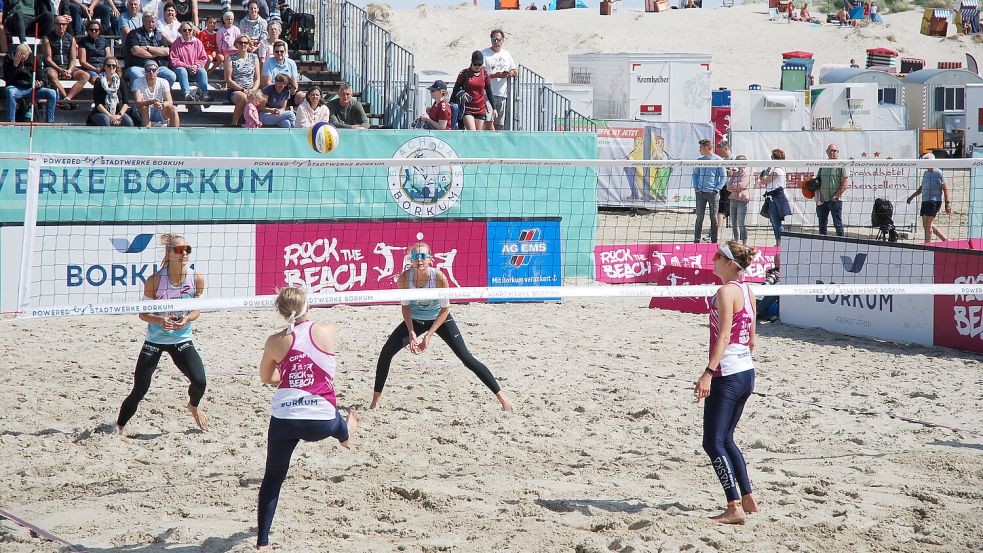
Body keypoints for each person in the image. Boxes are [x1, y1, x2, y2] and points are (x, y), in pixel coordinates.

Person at [256, 287, 359, 551]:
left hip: (285, 418)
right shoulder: (327, 330)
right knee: (339, 424)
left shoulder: (274, 341)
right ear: (307, 306)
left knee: (273, 478)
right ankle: (346, 435)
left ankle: (262, 542)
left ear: (280, 311)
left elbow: (267, 379)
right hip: (321, 421)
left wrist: (290, 377)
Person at [371, 242, 514, 411]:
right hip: (415, 320)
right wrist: (411, 332)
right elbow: (406, 307)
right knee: (386, 352)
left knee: (466, 358)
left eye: (423, 256)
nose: (420, 260)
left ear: (430, 259)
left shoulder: (439, 277)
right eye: (416, 256)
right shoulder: (404, 278)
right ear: (410, 259)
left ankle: (503, 398)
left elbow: (445, 310)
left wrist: (429, 335)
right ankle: (375, 401)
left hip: (440, 319)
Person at [694, 240, 760, 525]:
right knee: (727, 438)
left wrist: (708, 372)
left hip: (728, 374)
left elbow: (723, 337)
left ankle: (734, 506)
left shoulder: (725, 291)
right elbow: (752, 338)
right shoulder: (747, 289)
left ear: (731, 263)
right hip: (746, 371)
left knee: (712, 442)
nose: (714, 259)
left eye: (719, 256)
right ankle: (748, 497)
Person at [117, 233, 207, 435]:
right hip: (155, 340)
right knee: (139, 390)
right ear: (169, 253)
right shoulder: (155, 280)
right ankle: (119, 428)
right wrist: (160, 320)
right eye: (179, 250)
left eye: (187, 249)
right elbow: (143, 314)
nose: (184, 253)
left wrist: (187, 319)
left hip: (181, 338)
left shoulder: (196, 278)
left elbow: (197, 310)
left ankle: (192, 405)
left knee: (200, 382)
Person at [3, 43, 58, 123]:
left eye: (23, 56)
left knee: (52, 93)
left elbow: (41, 77)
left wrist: (40, 83)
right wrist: (15, 65)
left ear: (28, 54)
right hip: (17, 87)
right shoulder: (9, 58)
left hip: (32, 88)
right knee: (9, 91)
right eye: (19, 55)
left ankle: (50, 121)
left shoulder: (35, 59)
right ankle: (11, 122)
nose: (21, 57)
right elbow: (8, 80)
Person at [42, 16, 88, 108]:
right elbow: (48, 59)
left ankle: (67, 99)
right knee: (51, 74)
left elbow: (73, 58)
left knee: (85, 75)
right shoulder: (47, 38)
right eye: (59, 24)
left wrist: (69, 70)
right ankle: (65, 99)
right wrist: (60, 70)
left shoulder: (71, 39)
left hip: (68, 67)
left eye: (63, 24)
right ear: (54, 25)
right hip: (54, 67)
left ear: (66, 25)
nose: (61, 26)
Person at [906, 153, 951, 243]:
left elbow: (945, 189)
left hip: (934, 201)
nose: (924, 163)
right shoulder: (926, 173)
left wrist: (947, 203)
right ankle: (946, 240)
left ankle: (927, 244)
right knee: (926, 224)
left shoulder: (938, 173)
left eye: (926, 161)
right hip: (925, 200)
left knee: (928, 224)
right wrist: (912, 197)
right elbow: (922, 187)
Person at [123, 11, 176, 86]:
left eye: (153, 22)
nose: (151, 24)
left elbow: (166, 51)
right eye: (148, 22)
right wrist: (156, 53)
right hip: (138, 66)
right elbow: (136, 51)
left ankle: (158, 95)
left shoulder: (159, 35)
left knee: (171, 76)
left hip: (157, 67)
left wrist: (148, 48)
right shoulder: (134, 33)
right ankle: (140, 97)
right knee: (137, 74)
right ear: (143, 21)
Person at [481, 28, 517, 131]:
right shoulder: (484, 53)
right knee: (488, 120)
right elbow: (481, 73)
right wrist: (495, 75)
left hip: (502, 93)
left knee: (499, 123)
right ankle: (493, 141)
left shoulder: (506, 54)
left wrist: (509, 73)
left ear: (503, 40)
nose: (497, 42)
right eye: (494, 40)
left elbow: (514, 70)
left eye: (499, 39)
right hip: (487, 93)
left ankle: (493, 142)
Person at [451, 50, 495, 131]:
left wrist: (494, 108)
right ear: (471, 62)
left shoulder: (485, 75)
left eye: (480, 64)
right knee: (472, 132)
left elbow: (489, 92)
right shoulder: (464, 73)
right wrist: (452, 103)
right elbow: (455, 90)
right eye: (475, 64)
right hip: (467, 108)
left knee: (478, 134)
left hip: (480, 109)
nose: (477, 66)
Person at [691, 139, 725, 243]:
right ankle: (696, 239)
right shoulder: (699, 160)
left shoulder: (718, 160)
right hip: (700, 193)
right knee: (699, 217)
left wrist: (717, 189)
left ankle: (714, 240)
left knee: (713, 217)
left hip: (713, 193)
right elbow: (695, 175)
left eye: (700, 147)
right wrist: (696, 187)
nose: (699, 150)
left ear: (706, 148)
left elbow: (723, 177)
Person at [170, 21, 211, 102]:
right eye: (184, 30)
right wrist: (187, 66)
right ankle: (186, 94)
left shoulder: (198, 42)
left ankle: (205, 94)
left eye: (189, 30)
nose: (187, 32)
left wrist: (195, 66)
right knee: (182, 70)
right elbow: (174, 60)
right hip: (181, 72)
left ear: (193, 31)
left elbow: (203, 58)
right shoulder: (176, 43)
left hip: (194, 70)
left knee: (202, 71)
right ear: (181, 31)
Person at [814, 143, 849, 237]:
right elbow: (818, 180)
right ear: (827, 152)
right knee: (822, 224)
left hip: (835, 200)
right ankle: (822, 244)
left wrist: (836, 196)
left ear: (838, 152)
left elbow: (845, 184)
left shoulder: (842, 165)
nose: (832, 152)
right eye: (830, 150)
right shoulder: (824, 164)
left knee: (837, 224)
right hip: (822, 200)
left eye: (834, 150)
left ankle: (842, 245)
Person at [224, 34, 259, 126]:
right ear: (236, 44)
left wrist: (253, 91)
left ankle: (256, 123)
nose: (243, 44)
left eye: (246, 43)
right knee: (243, 97)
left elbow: (257, 78)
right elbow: (228, 80)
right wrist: (243, 90)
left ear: (249, 44)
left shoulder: (254, 58)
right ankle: (234, 123)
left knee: (262, 98)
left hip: (252, 89)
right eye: (241, 42)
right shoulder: (231, 58)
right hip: (235, 90)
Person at [132, 59, 180, 127]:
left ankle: (175, 134)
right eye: (148, 70)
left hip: (159, 109)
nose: (151, 72)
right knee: (144, 108)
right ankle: (147, 132)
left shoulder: (164, 82)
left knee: (173, 109)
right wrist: (151, 102)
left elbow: (169, 101)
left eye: (154, 70)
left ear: (157, 71)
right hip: (142, 111)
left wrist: (162, 104)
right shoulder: (137, 82)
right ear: (145, 72)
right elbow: (138, 103)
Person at [87, 57, 134, 126]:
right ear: (105, 67)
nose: (111, 67)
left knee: (128, 121)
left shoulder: (121, 81)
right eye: (109, 65)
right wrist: (110, 116)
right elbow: (98, 104)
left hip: (117, 112)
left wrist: (119, 115)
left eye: (114, 65)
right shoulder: (98, 81)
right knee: (105, 120)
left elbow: (126, 102)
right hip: (101, 112)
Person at [760, 149, 793, 246]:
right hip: (771, 197)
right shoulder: (776, 169)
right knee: (773, 221)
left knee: (776, 221)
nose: (770, 159)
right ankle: (778, 242)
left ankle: (781, 243)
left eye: (772, 157)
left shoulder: (778, 170)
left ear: (775, 158)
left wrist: (766, 172)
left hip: (777, 197)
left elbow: (764, 181)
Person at [260, 39, 300, 104]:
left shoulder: (292, 63)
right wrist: (282, 86)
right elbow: (268, 83)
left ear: (285, 52)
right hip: (273, 91)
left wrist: (294, 88)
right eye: (277, 51)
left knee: (301, 96)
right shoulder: (267, 63)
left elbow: (294, 82)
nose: (279, 53)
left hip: (287, 91)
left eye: (281, 51)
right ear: (273, 52)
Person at [726, 155, 750, 243]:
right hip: (733, 198)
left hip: (742, 199)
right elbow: (728, 186)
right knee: (733, 222)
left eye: (738, 161)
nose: (736, 163)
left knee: (741, 222)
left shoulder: (746, 173)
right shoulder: (735, 173)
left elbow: (741, 186)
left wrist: (734, 186)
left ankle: (744, 241)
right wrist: (734, 186)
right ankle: (736, 240)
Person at [716, 141, 733, 239]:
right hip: (724, 187)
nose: (719, 153)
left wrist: (724, 170)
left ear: (725, 148)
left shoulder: (734, 159)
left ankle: (715, 233)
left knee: (724, 211)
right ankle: (716, 233)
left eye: (720, 151)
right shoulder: (722, 159)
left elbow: (731, 173)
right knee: (721, 210)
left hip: (731, 188)